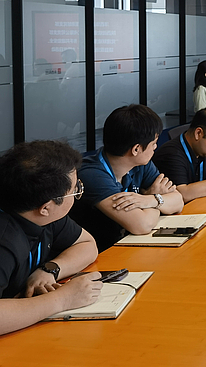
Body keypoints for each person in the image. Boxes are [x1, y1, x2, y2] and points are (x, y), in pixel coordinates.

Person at [0, 141, 103, 335]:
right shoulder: (4, 240)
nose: (77, 194)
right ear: (46, 208)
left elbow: (88, 245)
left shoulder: (42, 215)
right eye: (75, 191)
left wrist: (50, 270)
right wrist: (63, 299)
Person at [73, 105, 184, 251]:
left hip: (129, 246)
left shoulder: (140, 164)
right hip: (102, 254)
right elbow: (142, 225)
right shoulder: (92, 175)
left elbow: (178, 200)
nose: (155, 147)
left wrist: (149, 200)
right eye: (153, 143)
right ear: (136, 149)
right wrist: (156, 196)